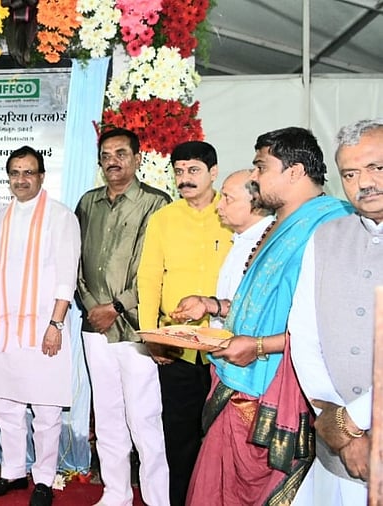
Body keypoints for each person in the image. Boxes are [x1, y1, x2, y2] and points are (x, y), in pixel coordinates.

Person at [180, 127, 352, 505]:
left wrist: (257, 347)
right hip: (237, 381)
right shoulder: (280, 224)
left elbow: (331, 328)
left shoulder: (333, 226)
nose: (254, 177)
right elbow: (261, 305)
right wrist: (214, 306)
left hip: (274, 394)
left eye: (261, 167)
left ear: (294, 172)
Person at [289, 119, 383, 505]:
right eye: (350, 173)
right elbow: (305, 333)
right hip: (335, 448)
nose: (365, 182)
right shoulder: (326, 237)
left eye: (377, 167)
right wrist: (329, 412)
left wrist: (352, 423)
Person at [76, 128, 172, 506]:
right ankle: (115, 492)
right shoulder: (87, 203)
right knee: (108, 413)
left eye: (120, 153)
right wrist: (89, 305)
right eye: (106, 154)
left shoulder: (156, 203)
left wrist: (115, 307)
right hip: (93, 327)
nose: (112, 160)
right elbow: (77, 262)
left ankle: (156, 497)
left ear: (137, 159)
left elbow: (155, 267)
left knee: (145, 416)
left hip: (136, 327)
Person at [0, 146, 80, 506]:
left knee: (46, 410)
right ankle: (12, 472)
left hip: (43, 328)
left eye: (28, 172)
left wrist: (56, 324)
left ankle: (43, 479)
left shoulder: (60, 216)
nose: (21, 180)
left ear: (41, 176)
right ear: (8, 178)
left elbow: (66, 277)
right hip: (6, 328)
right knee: (5, 406)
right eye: (15, 173)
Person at [136, 141, 232, 506]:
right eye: (179, 171)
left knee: (225, 437)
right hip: (177, 348)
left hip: (227, 348)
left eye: (193, 170)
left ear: (213, 172)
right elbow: (148, 278)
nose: (185, 178)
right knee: (180, 438)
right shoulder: (164, 218)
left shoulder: (234, 212)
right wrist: (151, 336)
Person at [173, 170, 274, 329]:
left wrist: (210, 305)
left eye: (228, 198)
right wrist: (205, 303)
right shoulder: (241, 239)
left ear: (256, 201)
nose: (218, 206)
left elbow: (261, 310)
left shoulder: (270, 243)